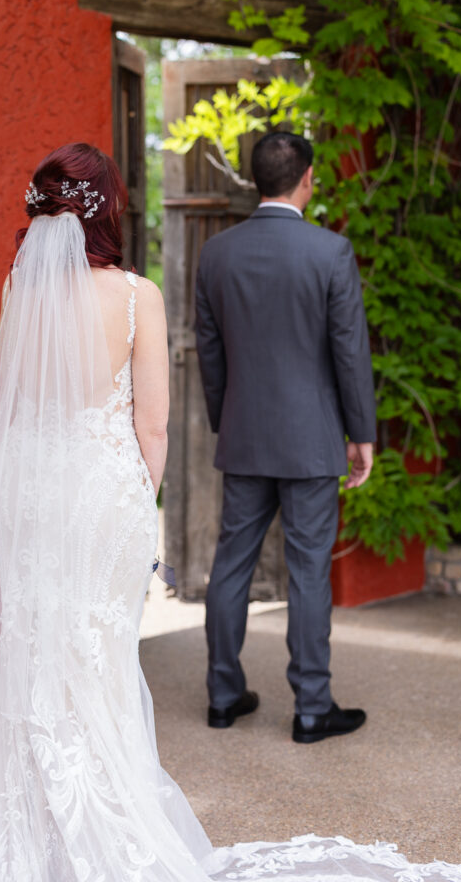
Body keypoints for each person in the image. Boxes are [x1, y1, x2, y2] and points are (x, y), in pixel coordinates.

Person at [0, 142, 461, 882]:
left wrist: (221, 422)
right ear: (109, 210)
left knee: (48, 649)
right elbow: (157, 425)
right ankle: (283, 718)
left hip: (38, 499)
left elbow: (25, 407)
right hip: (123, 492)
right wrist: (143, 498)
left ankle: (132, 755)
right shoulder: (144, 293)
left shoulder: (23, 290)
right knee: (117, 646)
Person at [195, 131, 376, 741]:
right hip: (311, 440)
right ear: (307, 179)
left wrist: (229, 419)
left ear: (255, 180)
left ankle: (223, 696)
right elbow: (349, 354)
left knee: (231, 567)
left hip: (246, 436)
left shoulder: (216, 254)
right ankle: (311, 709)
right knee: (307, 571)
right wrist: (362, 433)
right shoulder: (331, 252)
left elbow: (211, 353)